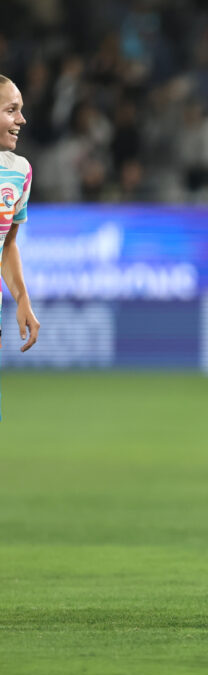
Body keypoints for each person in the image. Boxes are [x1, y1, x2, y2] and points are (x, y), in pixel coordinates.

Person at [0, 74, 40, 420]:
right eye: (12, 110)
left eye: (21, 110)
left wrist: (22, 298)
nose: (21, 120)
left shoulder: (19, 170)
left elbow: (7, 243)